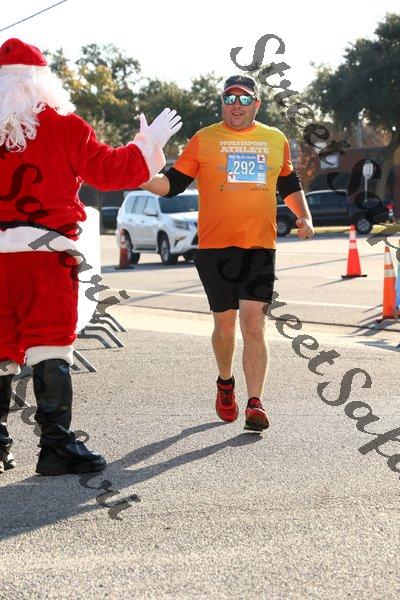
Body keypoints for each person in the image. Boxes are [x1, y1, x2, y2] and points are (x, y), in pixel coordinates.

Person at [0, 38, 182, 476]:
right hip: (46, 255)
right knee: (50, 344)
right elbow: (110, 171)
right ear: (41, 82)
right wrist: (148, 144)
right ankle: (56, 447)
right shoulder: (65, 126)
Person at [142, 74, 313, 431]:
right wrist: (138, 170)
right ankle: (225, 382)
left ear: (256, 104)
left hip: (259, 248)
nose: (236, 104)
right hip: (215, 249)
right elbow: (171, 184)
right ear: (222, 102)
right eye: (230, 98)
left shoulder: (275, 139)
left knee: (254, 325)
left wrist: (304, 216)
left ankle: (255, 403)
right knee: (224, 327)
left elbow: (288, 182)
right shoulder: (205, 138)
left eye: (244, 98)